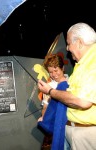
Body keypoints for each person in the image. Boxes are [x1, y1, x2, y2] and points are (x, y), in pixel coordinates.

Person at [38, 22, 96, 150]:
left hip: (84, 133)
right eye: (50, 72)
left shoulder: (93, 63)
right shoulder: (82, 64)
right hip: (74, 131)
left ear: (80, 42)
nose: (68, 48)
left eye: (69, 43)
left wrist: (51, 92)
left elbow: (83, 101)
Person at [37, 54, 69, 150]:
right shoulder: (48, 87)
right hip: (58, 128)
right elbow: (45, 111)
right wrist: (46, 102)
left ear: (62, 68)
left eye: (56, 70)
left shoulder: (72, 82)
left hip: (72, 127)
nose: (54, 75)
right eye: (50, 72)